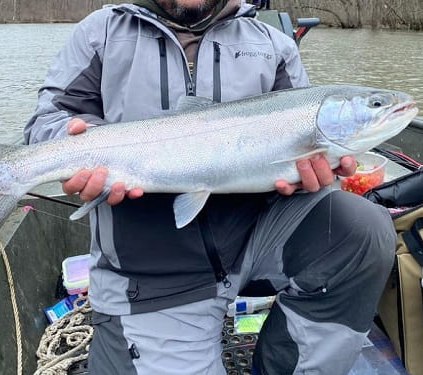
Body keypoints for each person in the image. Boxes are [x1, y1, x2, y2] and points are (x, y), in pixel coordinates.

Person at [24, 1, 396, 374]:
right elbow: (47, 123)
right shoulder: (101, 32)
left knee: (360, 228)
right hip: (152, 276)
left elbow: (293, 172)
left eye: (376, 104)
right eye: (377, 104)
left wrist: (309, 178)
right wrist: (78, 143)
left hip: (259, 241)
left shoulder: (274, 44)